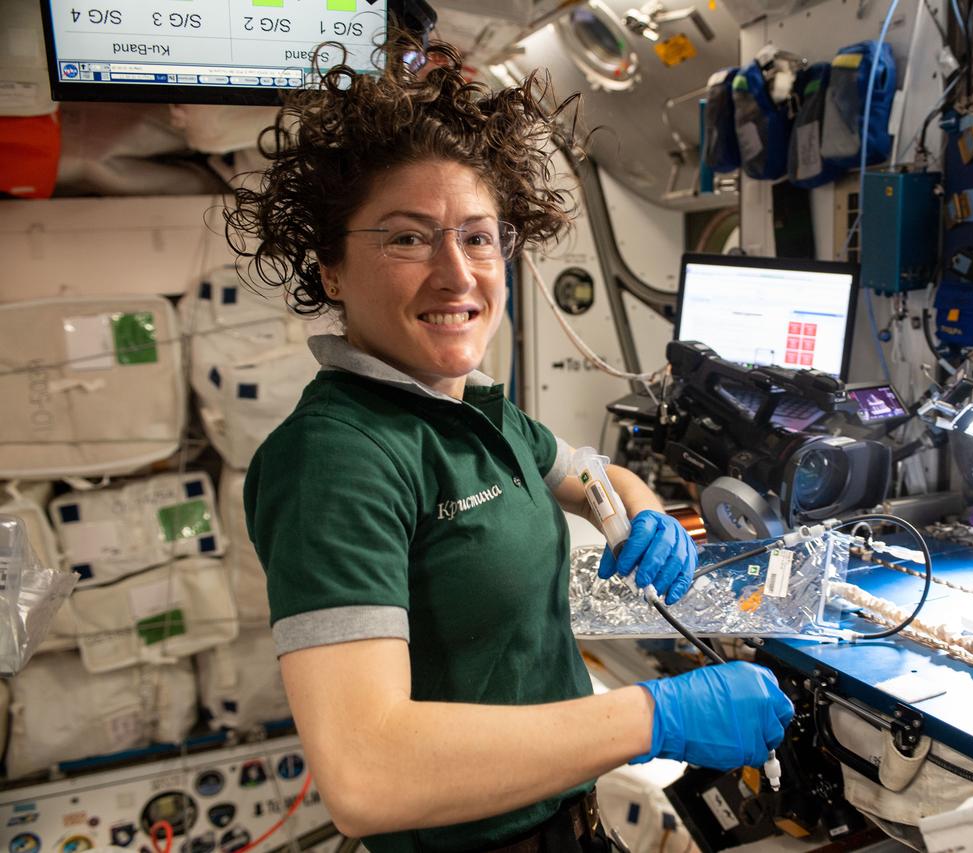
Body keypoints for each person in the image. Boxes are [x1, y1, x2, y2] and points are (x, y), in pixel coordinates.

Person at [225, 34, 794, 853]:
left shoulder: (476, 412)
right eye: (408, 237)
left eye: (480, 236)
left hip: (568, 821)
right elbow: (364, 773)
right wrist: (658, 716)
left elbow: (593, 472)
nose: (458, 274)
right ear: (331, 271)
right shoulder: (336, 458)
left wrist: (637, 513)